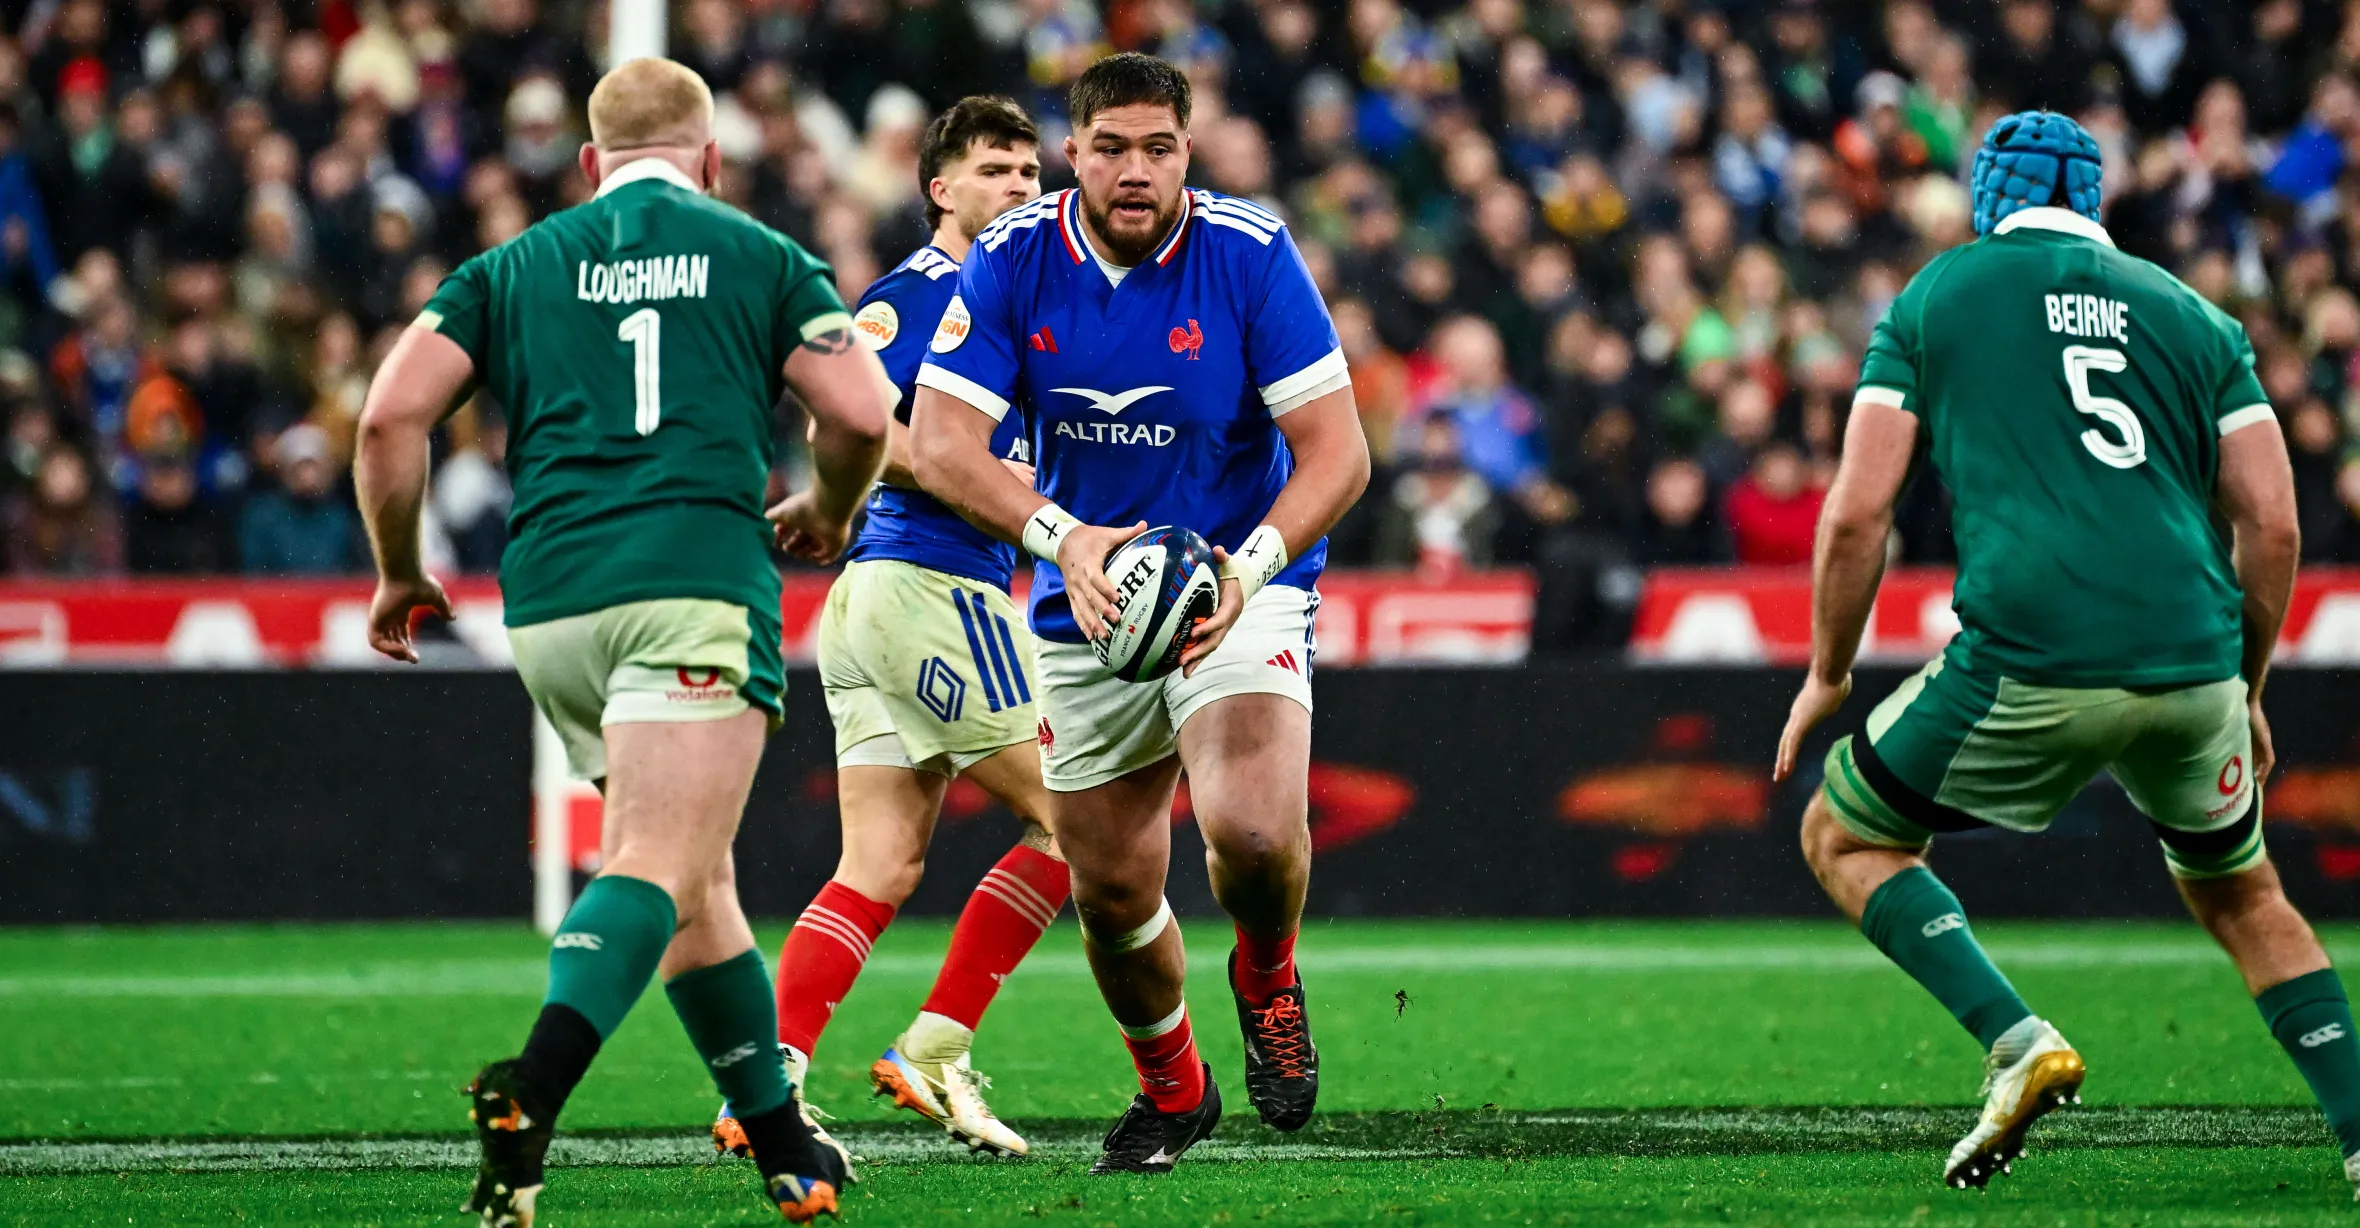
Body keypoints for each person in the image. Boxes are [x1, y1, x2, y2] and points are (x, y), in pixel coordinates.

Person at [1774, 112, 2358, 1195]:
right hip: (2193, 659)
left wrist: (1826, 671)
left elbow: (1857, 514)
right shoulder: (2192, 314)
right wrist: (2247, 682)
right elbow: (2271, 524)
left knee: (1842, 834)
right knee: (2244, 895)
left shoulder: (1937, 295)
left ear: (1984, 192)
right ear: (2093, 201)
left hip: (2030, 652)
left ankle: (2014, 1039)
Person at [354, 58, 888, 1226]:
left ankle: (786, 1148)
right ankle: (530, 1090)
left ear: (590, 165)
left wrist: (401, 570)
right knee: (654, 857)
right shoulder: (757, 252)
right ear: (709, 158)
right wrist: (831, 509)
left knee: (699, 881)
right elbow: (857, 410)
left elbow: (391, 413)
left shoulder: (510, 265)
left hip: (547, 608)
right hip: (688, 586)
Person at [909, 53, 1370, 1173]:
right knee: (1111, 891)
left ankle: (1264, 972)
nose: (1133, 169)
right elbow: (938, 443)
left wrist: (1247, 571)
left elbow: (1339, 453)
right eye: (1109, 147)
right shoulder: (1016, 260)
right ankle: (1175, 1088)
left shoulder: (1248, 252)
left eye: (1156, 148)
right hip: (1085, 597)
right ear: (1073, 156)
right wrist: (1062, 544)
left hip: (1236, 579)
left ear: (1185, 153)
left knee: (1253, 832)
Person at [708, 95, 1066, 1163]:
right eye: (993, 171)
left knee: (878, 866)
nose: (1019, 187)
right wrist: (998, 487)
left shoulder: (1008, 295)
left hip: (878, 603)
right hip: (932, 593)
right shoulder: (924, 291)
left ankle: (763, 1083)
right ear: (938, 190)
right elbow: (847, 419)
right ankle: (937, 1048)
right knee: (1081, 825)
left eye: (1026, 171)